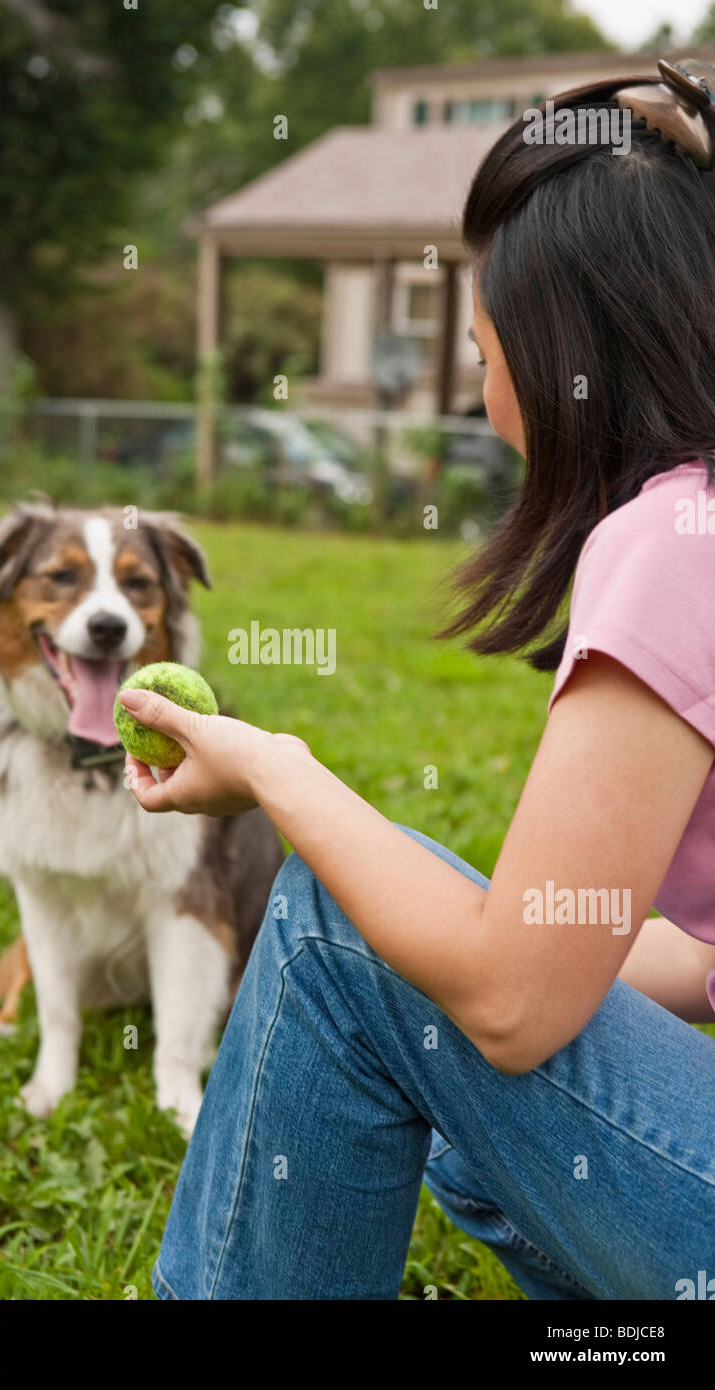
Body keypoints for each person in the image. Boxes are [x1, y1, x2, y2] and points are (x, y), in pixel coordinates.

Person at [120, 63, 715, 1300]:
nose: (479, 381)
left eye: (481, 344)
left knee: (339, 931)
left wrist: (277, 775)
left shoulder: (674, 545)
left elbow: (508, 1003)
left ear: (561, 360)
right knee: (459, 1106)